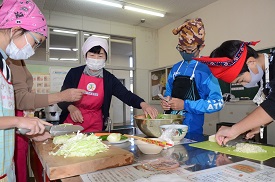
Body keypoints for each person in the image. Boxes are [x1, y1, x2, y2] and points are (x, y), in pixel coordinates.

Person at [0, 0, 55, 181]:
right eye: (35, 42)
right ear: (16, 30)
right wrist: (19, 121)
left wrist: (27, 131)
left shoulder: (5, 67)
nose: (33, 50)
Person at [58, 36, 158, 132]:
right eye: (92, 55)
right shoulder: (74, 73)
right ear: (85, 56)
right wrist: (71, 107)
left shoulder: (109, 79)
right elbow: (61, 98)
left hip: (95, 124)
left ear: (105, 58)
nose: (96, 59)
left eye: (100, 56)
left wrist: (143, 104)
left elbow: (126, 95)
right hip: (72, 122)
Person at [8, 58, 85, 182]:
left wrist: (30, 134)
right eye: (36, 41)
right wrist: (62, 97)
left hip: (17, 129)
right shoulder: (9, 60)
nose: (33, 49)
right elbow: (21, 99)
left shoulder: (17, 59)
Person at [195, 40, 275, 145]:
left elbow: (273, 103)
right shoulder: (265, 74)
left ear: (251, 62)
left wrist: (234, 130)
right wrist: (259, 124)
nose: (244, 85)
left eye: (241, 80)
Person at [160, 18, 223, 134]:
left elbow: (217, 103)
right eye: (181, 48)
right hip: (169, 129)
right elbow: (168, 93)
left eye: (189, 49)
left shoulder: (206, 70)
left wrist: (185, 105)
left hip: (192, 131)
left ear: (201, 47)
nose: (184, 52)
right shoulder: (175, 68)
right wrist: (166, 101)